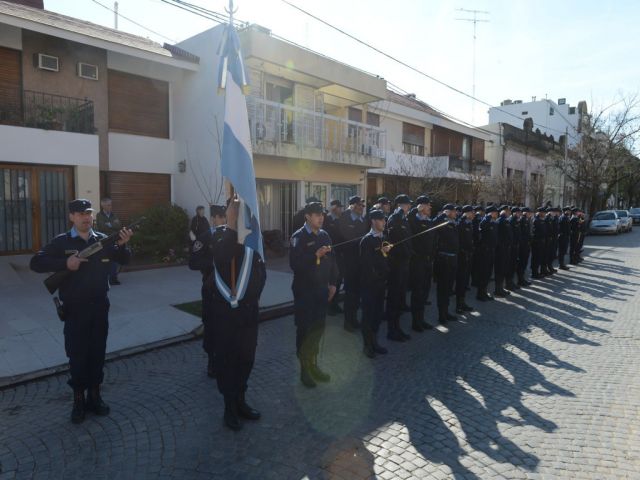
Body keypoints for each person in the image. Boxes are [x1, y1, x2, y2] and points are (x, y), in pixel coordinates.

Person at [30, 199, 133, 424]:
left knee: (97, 353)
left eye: (88, 212)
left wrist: (124, 244)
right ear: (71, 217)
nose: (85, 217)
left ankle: (94, 397)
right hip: (75, 310)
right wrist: (65, 263)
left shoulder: (102, 241)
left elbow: (124, 259)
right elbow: (36, 263)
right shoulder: (62, 241)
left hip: (99, 307)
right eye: (79, 213)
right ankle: (78, 401)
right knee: (77, 355)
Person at [191, 196, 266, 431]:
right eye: (236, 211)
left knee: (246, 359)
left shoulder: (253, 237)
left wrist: (251, 296)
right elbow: (198, 260)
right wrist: (231, 229)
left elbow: (261, 271)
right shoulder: (215, 236)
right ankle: (229, 407)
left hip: (247, 311)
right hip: (221, 311)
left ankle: (241, 400)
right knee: (226, 360)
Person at [290, 202, 338, 387]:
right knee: (305, 331)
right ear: (308, 217)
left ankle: (314, 365)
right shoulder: (298, 237)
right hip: (304, 292)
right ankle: (304, 370)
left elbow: (333, 261)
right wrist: (314, 255)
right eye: (317, 215)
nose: (321, 217)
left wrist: (333, 283)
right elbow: (295, 265)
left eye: (322, 214)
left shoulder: (325, 235)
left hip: (321, 291)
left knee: (318, 330)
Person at [189, 205, 227, 379]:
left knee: (226, 325)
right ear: (214, 219)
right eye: (221, 217)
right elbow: (193, 262)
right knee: (211, 325)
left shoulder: (231, 237)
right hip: (211, 287)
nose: (225, 221)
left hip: (228, 288)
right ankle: (212, 361)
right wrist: (212, 264)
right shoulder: (204, 238)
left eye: (226, 217)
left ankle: (226, 358)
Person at [359, 209, 392, 358]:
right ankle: (367, 345)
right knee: (368, 315)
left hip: (381, 284)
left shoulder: (383, 236)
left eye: (385, 220)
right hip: (369, 285)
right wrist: (381, 252)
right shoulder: (367, 240)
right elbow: (366, 265)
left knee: (378, 314)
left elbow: (383, 260)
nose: (384, 222)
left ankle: (375, 341)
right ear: (373, 221)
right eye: (381, 220)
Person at [338, 196, 368, 332]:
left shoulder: (363, 219)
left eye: (362, 205)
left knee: (357, 292)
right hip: (349, 261)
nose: (362, 207)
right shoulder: (344, 218)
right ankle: (348, 321)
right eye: (359, 205)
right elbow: (345, 239)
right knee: (350, 292)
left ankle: (354, 319)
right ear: (352, 206)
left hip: (361, 261)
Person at [386, 194, 413, 340]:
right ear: (401, 205)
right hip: (396, 264)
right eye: (408, 204)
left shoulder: (404, 219)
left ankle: (397, 327)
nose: (409, 206)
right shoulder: (394, 219)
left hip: (404, 263)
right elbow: (394, 241)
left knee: (400, 297)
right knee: (394, 297)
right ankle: (392, 330)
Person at [407, 195, 436, 332]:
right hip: (417, 261)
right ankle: (415, 322)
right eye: (428, 205)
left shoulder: (429, 221)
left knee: (424, 292)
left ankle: (421, 319)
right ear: (422, 206)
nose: (430, 207)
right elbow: (409, 219)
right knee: (417, 292)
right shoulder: (413, 220)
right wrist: (415, 210)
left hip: (428, 261)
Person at [433, 204, 459, 323]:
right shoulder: (442, 221)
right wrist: (443, 214)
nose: (456, 213)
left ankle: (446, 311)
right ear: (448, 212)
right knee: (442, 289)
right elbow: (434, 224)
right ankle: (441, 315)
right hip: (444, 260)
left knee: (448, 288)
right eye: (454, 211)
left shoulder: (453, 223)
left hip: (453, 259)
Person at [323, 199, 345, 316]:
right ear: (334, 208)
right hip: (328, 256)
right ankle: (328, 305)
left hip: (340, 256)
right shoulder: (326, 219)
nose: (341, 209)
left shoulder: (341, 220)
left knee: (338, 280)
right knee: (330, 281)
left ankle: (334, 303)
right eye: (340, 207)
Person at [95, 198, 123, 285]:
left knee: (115, 258)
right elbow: (102, 227)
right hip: (105, 240)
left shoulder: (114, 214)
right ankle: (106, 277)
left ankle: (113, 278)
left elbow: (119, 225)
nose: (110, 206)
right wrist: (112, 224)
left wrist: (109, 224)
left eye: (111, 204)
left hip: (114, 238)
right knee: (106, 260)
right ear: (103, 206)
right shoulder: (99, 215)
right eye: (108, 205)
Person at [455, 205, 475, 314]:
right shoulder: (460, 224)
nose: (474, 214)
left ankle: (462, 302)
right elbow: (459, 240)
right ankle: (458, 305)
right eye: (472, 212)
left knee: (464, 281)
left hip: (468, 255)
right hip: (461, 256)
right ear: (466, 213)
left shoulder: (469, 223)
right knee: (460, 280)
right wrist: (463, 251)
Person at [476, 205, 498, 301]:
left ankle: (484, 292)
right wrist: (488, 217)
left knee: (488, 273)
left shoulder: (494, 222)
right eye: (495, 212)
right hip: (485, 251)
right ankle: (480, 294)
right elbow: (482, 227)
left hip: (491, 250)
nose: (497, 214)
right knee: (483, 273)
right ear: (490, 213)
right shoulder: (485, 221)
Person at [494, 205, 513, 297]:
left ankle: (501, 288)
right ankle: (498, 289)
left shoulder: (506, 220)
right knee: (500, 269)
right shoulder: (500, 221)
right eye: (508, 211)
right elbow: (498, 236)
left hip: (505, 249)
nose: (510, 212)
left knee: (504, 268)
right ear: (504, 211)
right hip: (501, 250)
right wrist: (501, 246)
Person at [506, 207, 522, 290]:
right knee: (510, 265)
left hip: (516, 245)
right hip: (512, 247)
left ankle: (511, 282)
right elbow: (510, 235)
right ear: (514, 213)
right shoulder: (511, 221)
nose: (520, 214)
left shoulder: (516, 220)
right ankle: (508, 283)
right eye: (518, 212)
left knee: (513, 265)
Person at [517, 207, 533, 286]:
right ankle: (520, 279)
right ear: (525, 213)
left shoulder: (526, 220)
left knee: (524, 262)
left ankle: (522, 278)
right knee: (522, 262)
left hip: (526, 244)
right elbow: (521, 234)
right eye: (529, 213)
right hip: (523, 245)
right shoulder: (522, 220)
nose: (530, 214)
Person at [531, 207, 547, 279]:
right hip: (537, 242)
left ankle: (537, 272)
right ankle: (534, 273)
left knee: (539, 258)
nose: (545, 214)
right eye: (543, 212)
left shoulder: (542, 220)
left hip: (541, 242)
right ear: (540, 212)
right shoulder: (536, 220)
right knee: (536, 258)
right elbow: (534, 232)